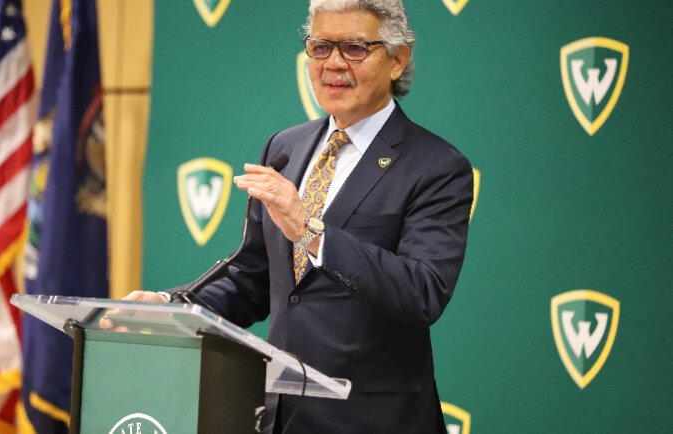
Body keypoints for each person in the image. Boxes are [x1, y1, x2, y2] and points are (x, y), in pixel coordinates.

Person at [127, 1, 473, 432]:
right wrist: (171, 309)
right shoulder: (285, 147)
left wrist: (312, 233)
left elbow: (422, 293)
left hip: (373, 420)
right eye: (321, 47)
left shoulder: (435, 166)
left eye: (355, 48)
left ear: (397, 60)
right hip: (281, 416)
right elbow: (252, 280)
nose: (333, 64)